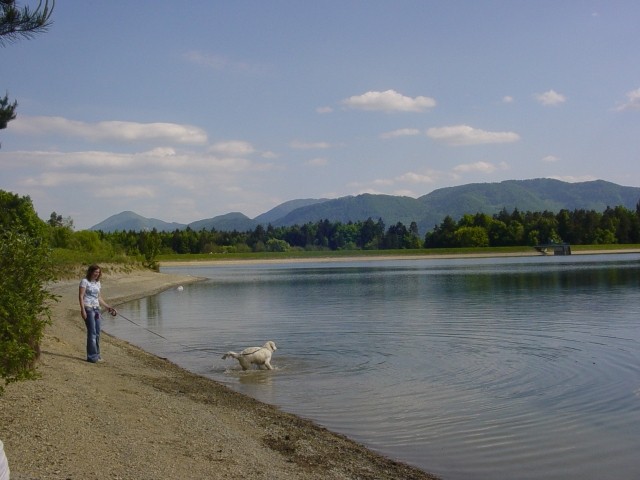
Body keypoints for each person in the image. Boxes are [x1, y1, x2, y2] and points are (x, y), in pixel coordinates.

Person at [79, 264, 117, 363]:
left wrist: (108, 306)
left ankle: (97, 354)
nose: (97, 274)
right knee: (92, 333)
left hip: (96, 309)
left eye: (98, 272)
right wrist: (82, 310)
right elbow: (81, 296)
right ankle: (91, 357)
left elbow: (99, 297)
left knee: (97, 333)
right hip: (88, 308)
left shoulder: (97, 283)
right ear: (91, 272)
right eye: (95, 272)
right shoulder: (84, 281)